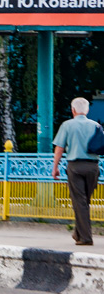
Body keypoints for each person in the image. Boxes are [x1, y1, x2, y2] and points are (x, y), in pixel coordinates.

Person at [51, 97, 100, 247]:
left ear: (73, 110)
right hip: (93, 167)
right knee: (84, 202)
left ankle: (85, 237)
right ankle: (78, 233)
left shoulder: (67, 125)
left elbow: (59, 148)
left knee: (80, 202)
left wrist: (55, 167)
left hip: (75, 167)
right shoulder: (96, 126)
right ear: (87, 110)